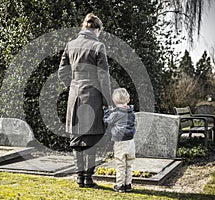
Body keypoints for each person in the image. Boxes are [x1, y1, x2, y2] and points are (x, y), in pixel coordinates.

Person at [58, 13, 112, 188]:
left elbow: (62, 73)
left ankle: (79, 177)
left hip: (74, 96)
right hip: (93, 95)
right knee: (91, 139)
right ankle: (88, 178)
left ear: (84, 27)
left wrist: (73, 85)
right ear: (96, 29)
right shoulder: (98, 45)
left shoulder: (70, 45)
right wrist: (108, 101)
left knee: (77, 138)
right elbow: (103, 77)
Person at [103, 88, 136, 193]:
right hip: (131, 141)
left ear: (115, 101)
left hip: (120, 142)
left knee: (120, 163)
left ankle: (120, 185)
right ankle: (128, 184)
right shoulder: (131, 112)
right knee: (129, 164)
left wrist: (107, 111)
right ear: (128, 100)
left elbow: (107, 121)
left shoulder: (116, 113)